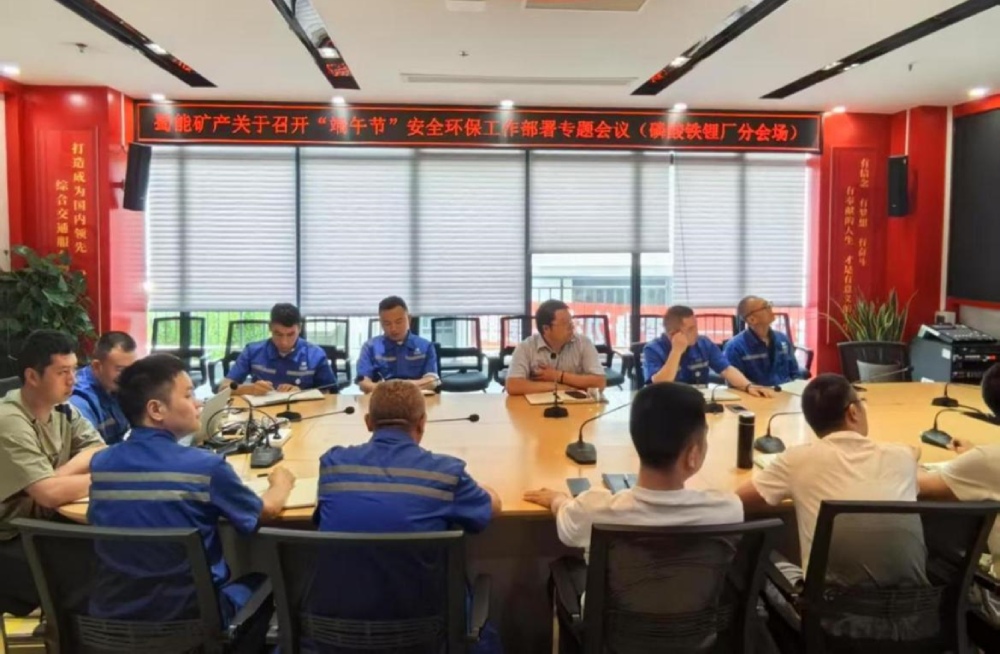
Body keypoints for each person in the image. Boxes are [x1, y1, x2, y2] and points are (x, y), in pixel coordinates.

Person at [87, 354, 294, 630]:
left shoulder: (101, 464)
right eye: (188, 395)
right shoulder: (206, 467)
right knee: (264, 580)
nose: (198, 403)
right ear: (156, 409)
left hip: (113, 621)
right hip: (191, 620)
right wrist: (281, 483)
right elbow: (262, 513)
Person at [524, 383, 744, 640]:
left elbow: (566, 520)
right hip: (696, 637)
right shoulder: (728, 510)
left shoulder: (594, 510)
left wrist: (558, 499)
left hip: (612, 640)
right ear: (693, 454)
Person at [314, 380, 501, 652]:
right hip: (427, 636)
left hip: (335, 635)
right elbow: (492, 507)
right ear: (422, 423)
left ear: (368, 422)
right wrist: (475, 485)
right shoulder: (446, 474)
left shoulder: (333, 465)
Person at [736, 374, 925, 589]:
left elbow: (737, 501)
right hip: (914, 605)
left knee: (756, 550)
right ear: (853, 412)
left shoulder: (797, 460)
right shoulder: (903, 457)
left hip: (830, 608)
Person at [0, 330, 105, 616]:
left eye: (74, 370)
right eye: (62, 372)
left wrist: (59, 474)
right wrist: (104, 479)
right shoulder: (9, 420)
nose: (73, 380)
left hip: (40, 523)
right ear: (32, 376)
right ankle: (69, 635)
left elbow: (99, 450)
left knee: (109, 548)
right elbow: (47, 495)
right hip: (10, 536)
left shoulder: (63, 410)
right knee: (93, 567)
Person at [918, 362, 1000, 623]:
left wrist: (906, 458)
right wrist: (975, 457)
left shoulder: (989, 460)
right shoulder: (988, 460)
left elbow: (917, 485)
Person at [643, 305, 774, 397]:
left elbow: (727, 370)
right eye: (691, 329)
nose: (696, 332)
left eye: (696, 327)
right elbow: (660, 386)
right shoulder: (653, 349)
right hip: (667, 405)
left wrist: (748, 386)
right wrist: (676, 351)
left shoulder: (703, 343)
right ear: (673, 334)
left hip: (698, 402)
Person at [221, 302, 336, 395]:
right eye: (278, 334)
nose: (284, 342)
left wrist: (302, 393)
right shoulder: (252, 351)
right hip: (261, 412)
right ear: (270, 327)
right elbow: (223, 388)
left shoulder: (316, 355)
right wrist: (250, 389)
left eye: (290, 334)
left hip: (303, 412)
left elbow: (330, 393)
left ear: (299, 329)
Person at [505, 300, 607, 396]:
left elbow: (600, 382)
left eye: (571, 321)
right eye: (564, 323)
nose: (571, 326)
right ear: (546, 329)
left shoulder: (583, 343)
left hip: (575, 405)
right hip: (535, 406)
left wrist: (558, 376)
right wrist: (558, 387)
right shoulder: (526, 347)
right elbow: (513, 385)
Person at [355, 296, 440, 394]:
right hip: (381, 398)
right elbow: (363, 383)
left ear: (409, 319)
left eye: (398, 322)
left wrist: (397, 387)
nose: (393, 328)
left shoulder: (426, 346)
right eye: (387, 323)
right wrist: (394, 389)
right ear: (381, 323)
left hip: (416, 398)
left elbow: (432, 381)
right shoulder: (370, 347)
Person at [70, 331, 137, 444]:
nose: (128, 376)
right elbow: (90, 450)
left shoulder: (118, 386)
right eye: (120, 369)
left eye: (132, 369)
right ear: (97, 366)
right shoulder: (79, 401)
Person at [723, 296, 802, 386]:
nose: (770, 308)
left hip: (786, 391)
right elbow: (734, 384)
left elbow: (795, 373)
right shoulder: (735, 347)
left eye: (769, 305)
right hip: (756, 393)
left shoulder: (782, 339)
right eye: (765, 307)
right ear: (752, 319)